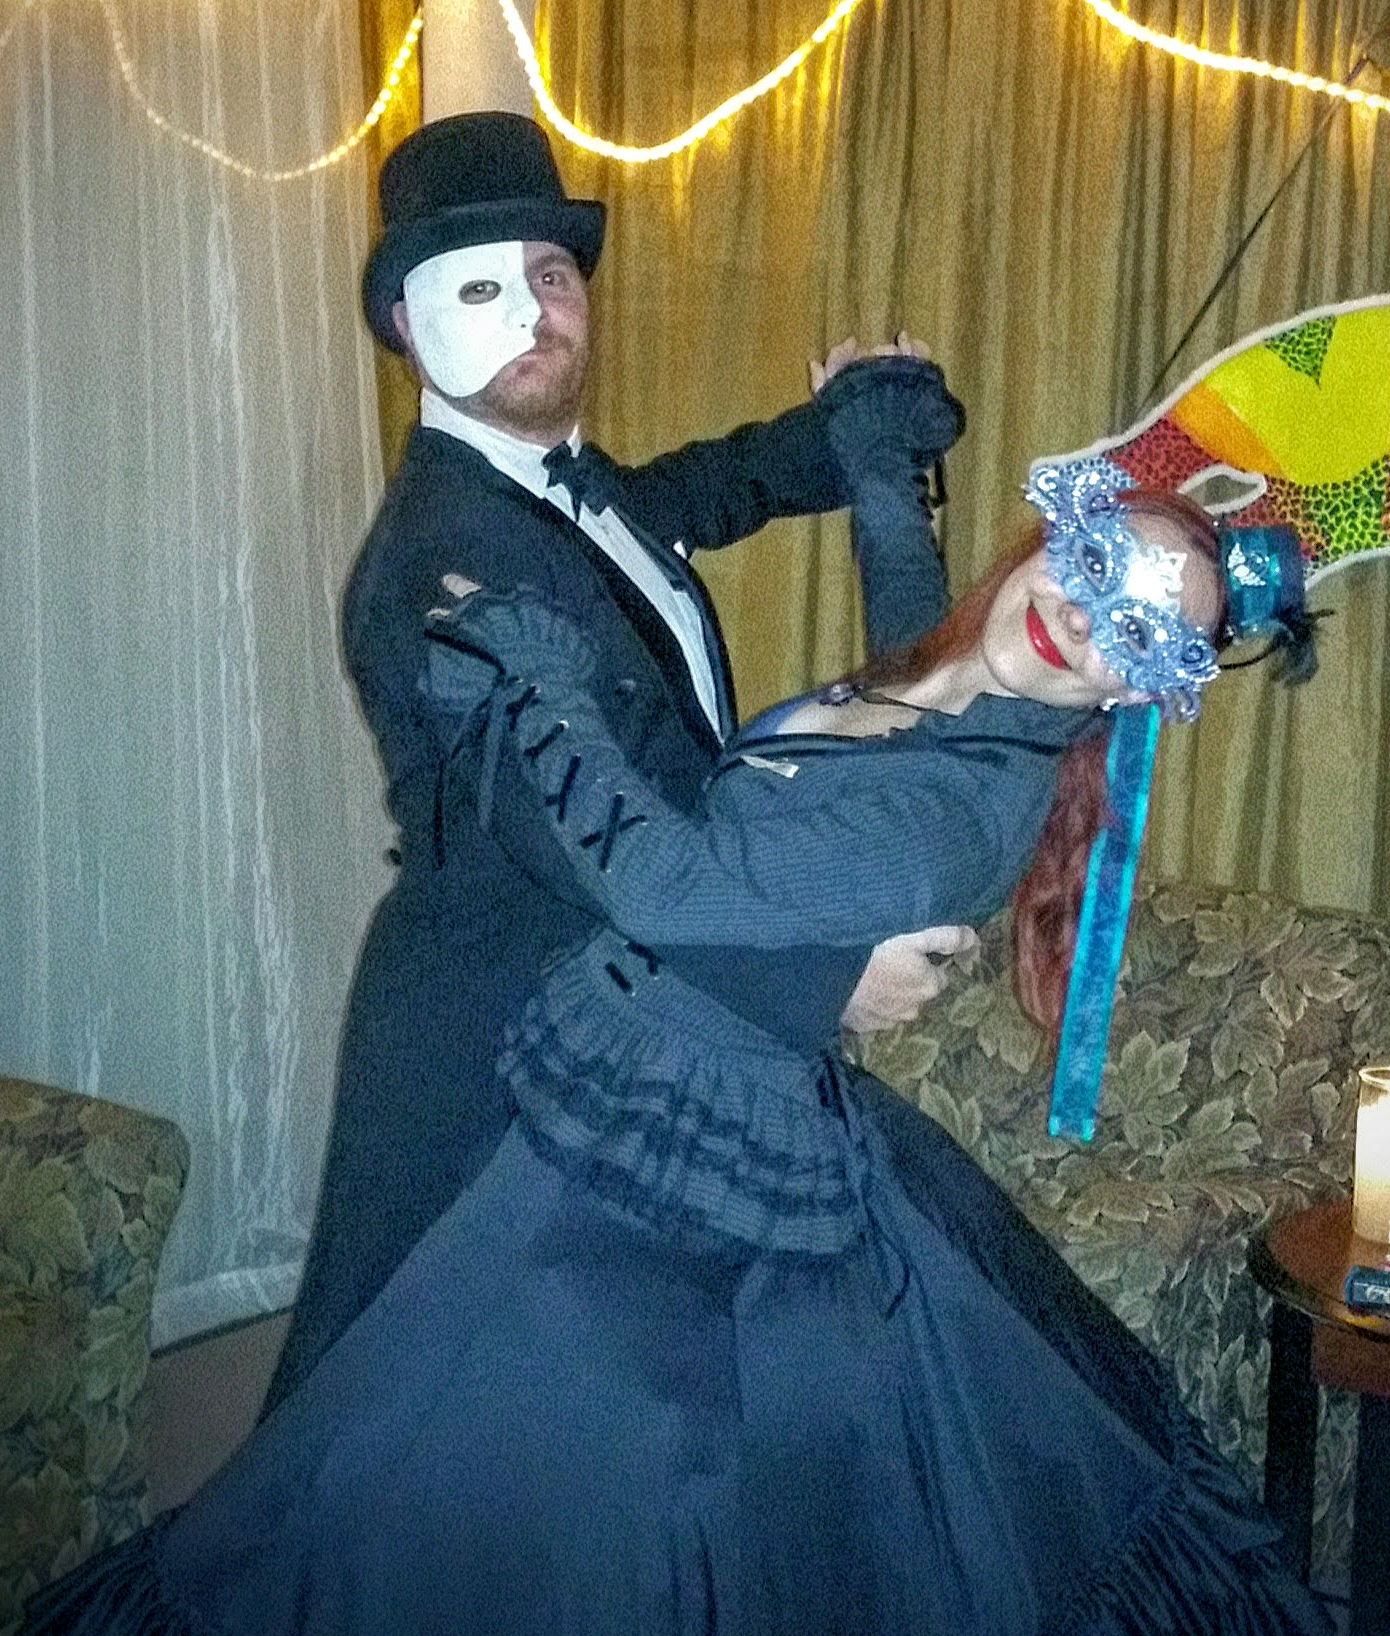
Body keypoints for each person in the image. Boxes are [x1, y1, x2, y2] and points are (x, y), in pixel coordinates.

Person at [0, 454, 1332, 1636]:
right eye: (1094, 563)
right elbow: (917, 653)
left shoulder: (958, 812)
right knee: (473, 1460)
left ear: (1139, 695)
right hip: (647, 1078)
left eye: (1136, 632)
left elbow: (668, 885)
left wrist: (540, 672)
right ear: (1052, 535)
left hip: (693, 1159)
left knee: (500, 1488)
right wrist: (876, 470)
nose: (1082, 619)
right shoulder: (953, 682)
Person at [264, 111, 969, 1413]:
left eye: (553, 272)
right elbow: (599, 838)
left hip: (636, 1011)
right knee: (498, 1443)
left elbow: (719, 484)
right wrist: (819, 971)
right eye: (483, 283)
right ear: (408, 326)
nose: (537, 308)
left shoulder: (576, 490)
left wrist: (854, 424)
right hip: (506, 1050)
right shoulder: (441, 567)